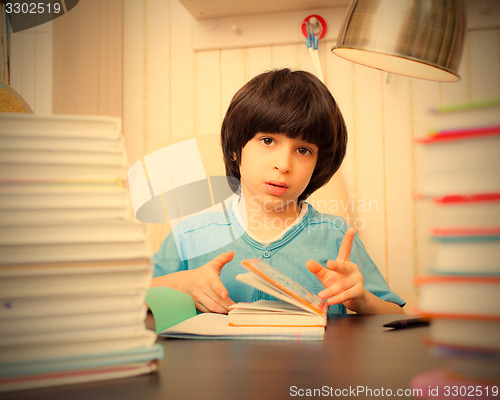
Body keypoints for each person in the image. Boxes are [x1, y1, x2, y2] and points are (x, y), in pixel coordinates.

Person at [152, 68, 405, 316]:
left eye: (303, 150)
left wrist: (363, 301)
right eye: (268, 141)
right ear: (235, 149)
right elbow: (123, 297)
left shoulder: (335, 237)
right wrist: (179, 285)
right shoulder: (190, 236)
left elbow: (396, 313)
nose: (284, 165)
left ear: (319, 164)